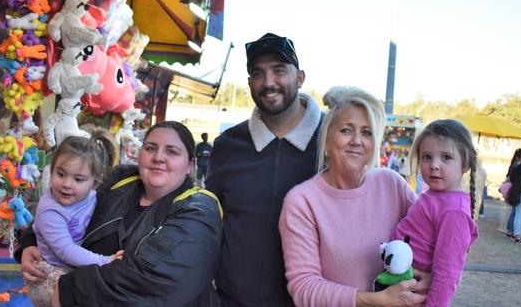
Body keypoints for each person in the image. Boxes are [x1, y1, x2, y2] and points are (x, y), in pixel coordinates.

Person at [16, 121, 223, 306]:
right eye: (151, 148)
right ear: (139, 154)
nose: (159, 157)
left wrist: (71, 290)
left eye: (171, 152)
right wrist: (30, 244)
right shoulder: (119, 181)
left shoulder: (199, 209)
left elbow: (152, 279)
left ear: (190, 165)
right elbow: (63, 209)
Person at [279, 86, 429, 307]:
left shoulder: (392, 183)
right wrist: (378, 300)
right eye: (346, 130)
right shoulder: (302, 201)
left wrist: (433, 273)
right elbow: (304, 288)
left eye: (367, 132)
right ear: (327, 140)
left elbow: (433, 234)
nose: (357, 140)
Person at [206, 32, 323, 306]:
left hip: (310, 300)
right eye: (258, 74)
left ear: (301, 77)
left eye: (279, 70)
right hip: (231, 299)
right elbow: (208, 220)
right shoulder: (228, 144)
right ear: (249, 83)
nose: (268, 83)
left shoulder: (332, 140)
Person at [27, 129, 123, 307]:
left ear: (95, 183)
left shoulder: (92, 196)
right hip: (49, 273)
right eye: (60, 174)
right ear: (52, 170)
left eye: (78, 179)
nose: (67, 184)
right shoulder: (50, 210)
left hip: (72, 267)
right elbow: (66, 250)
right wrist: (106, 261)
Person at [392, 119, 479, 306]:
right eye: (426, 157)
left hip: (415, 296)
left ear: (465, 164)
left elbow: (447, 273)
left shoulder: (453, 212)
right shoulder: (435, 196)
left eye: (446, 157)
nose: (434, 165)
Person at [504, 148, 521, 237]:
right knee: (515, 212)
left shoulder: (516, 164)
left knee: (514, 211)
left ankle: (510, 230)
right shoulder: (518, 165)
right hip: (516, 190)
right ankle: (512, 231)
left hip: (514, 189)